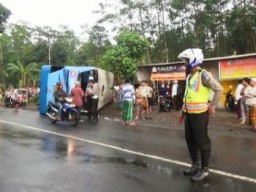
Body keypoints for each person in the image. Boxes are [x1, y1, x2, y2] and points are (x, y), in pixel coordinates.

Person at [178, 48, 223, 182]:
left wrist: (213, 105)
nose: (184, 63)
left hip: (200, 115)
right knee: (190, 141)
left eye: (186, 60)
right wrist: (182, 111)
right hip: (189, 115)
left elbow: (219, 89)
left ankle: (204, 170)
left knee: (202, 142)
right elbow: (188, 96)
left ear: (193, 60)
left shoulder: (203, 75)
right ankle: (195, 166)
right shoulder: (189, 77)